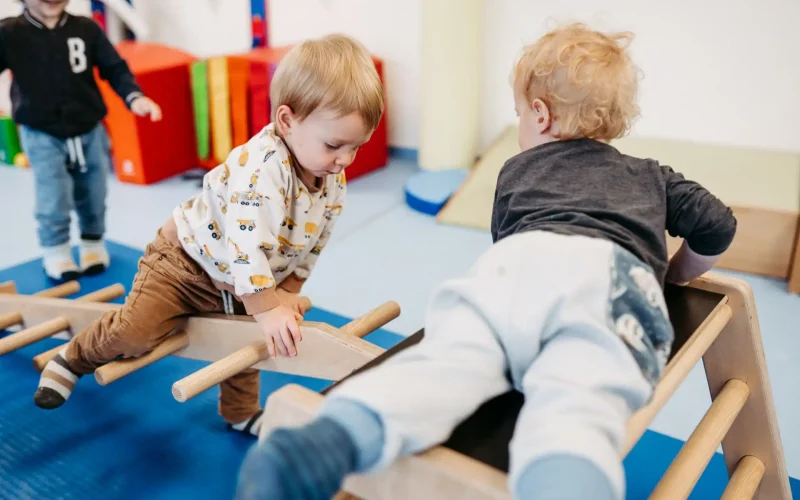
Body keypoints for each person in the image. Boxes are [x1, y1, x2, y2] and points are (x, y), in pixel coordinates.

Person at [235, 23, 737, 500]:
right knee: (580, 401)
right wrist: (674, 272)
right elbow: (718, 226)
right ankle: (567, 480)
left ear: (539, 115)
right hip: (610, 283)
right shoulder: (651, 176)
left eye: (519, 114)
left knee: (448, 363)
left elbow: (506, 248)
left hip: (521, 266)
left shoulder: (518, 170)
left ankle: (336, 437)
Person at [33, 33, 385, 437]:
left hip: (241, 277)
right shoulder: (262, 169)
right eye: (335, 145)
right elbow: (245, 244)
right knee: (135, 332)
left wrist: (287, 289)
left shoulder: (332, 178)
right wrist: (268, 306)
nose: (344, 160)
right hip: (184, 265)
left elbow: (315, 241)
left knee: (247, 343)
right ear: (287, 121)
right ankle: (70, 358)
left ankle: (239, 410)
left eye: (356, 148)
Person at [0, 0, 162, 281]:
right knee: (53, 194)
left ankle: (92, 242)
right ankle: (56, 248)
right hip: (41, 132)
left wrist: (134, 96)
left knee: (94, 190)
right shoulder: (9, 32)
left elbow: (115, 68)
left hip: (88, 128)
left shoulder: (86, 28)